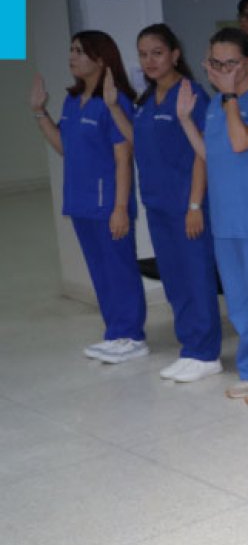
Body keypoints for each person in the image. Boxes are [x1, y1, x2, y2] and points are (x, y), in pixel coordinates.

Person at [177, 27, 248, 406]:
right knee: (240, 302)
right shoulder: (214, 105)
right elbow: (211, 154)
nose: (223, 70)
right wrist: (184, 120)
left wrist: (228, 94)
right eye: (215, 63)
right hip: (226, 221)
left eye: (231, 63)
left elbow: (242, 141)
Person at [29, 31, 146, 364]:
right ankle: (115, 333)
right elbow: (65, 147)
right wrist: (39, 113)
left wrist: (120, 207)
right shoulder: (73, 100)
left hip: (108, 203)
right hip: (80, 202)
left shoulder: (115, 101)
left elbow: (124, 157)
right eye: (71, 50)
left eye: (79, 51)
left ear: (100, 58)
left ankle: (132, 336)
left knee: (118, 268)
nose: (72, 56)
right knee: (100, 270)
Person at [118, 25, 221, 381]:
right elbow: (141, 141)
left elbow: (202, 155)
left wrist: (194, 205)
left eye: (157, 53)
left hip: (186, 204)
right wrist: (112, 106)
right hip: (158, 204)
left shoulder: (189, 95)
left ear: (175, 54)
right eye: (143, 54)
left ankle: (206, 352)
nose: (149, 60)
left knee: (195, 278)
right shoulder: (146, 100)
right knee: (175, 279)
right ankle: (190, 346)